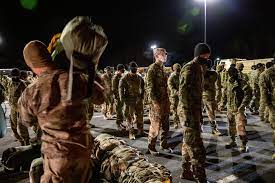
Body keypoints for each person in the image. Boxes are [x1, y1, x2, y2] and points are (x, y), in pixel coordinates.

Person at [18, 17, 108, 183]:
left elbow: (26, 121)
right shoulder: (76, 78)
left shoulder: (31, 92)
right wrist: (92, 67)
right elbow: (101, 98)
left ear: (32, 65)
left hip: (56, 162)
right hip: (83, 155)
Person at [178, 43, 210, 182]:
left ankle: (186, 172)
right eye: (205, 56)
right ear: (198, 55)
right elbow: (183, 93)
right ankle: (200, 178)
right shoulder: (190, 68)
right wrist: (188, 116)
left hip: (193, 111)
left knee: (187, 143)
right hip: (188, 112)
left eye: (208, 56)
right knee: (197, 147)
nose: (207, 58)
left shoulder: (199, 68)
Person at [146, 47, 171, 155]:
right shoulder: (152, 69)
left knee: (166, 125)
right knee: (155, 127)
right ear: (157, 56)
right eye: (163, 54)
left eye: (165, 54)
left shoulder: (163, 68)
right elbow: (149, 88)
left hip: (165, 102)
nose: (165, 55)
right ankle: (151, 146)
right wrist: (155, 103)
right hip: (157, 104)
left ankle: (164, 144)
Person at [222, 67, 252, 153]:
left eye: (234, 73)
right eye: (230, 73)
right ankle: (233, 141)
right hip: (230, 108)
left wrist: (243, 106)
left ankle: (244, 144)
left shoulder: (242, 82)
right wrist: (222, 104)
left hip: (239, 109)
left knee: (241, 127)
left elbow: (248, 94)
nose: (232, 75)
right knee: (231, 126)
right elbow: (225, 94)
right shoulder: (227, 83)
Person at [0, 68, 30, 146]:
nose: (14, 78)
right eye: (13, 76)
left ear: (18, 76)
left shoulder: (22, 84)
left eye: (16, 76)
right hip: (13, 108)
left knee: (21, 127)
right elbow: (8, 93)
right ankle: (21, 142)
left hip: (20, 108)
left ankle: (26, 142)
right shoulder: (10, 83)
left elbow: (26, 96)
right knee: (13, 126)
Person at [119, 61, 145, 139]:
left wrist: (142, 97)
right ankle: (131, 132)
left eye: (135, 68)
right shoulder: (125, 77)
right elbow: (120, 88)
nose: (134, 69)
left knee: (140, 115)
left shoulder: (139, 77)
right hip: (129, 100)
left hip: (138, 99)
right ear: (130, 68)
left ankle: (140, 130)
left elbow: (143, 87)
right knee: (129, 117)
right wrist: (122, 99)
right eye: (133, 68)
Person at [260, 60, 275, 159]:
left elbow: (264, 94)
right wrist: (271, 108)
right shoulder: (267, 74)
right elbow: (264, 94)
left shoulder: (265, 73)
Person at [203, 61, 222, 136]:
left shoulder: (214, 74)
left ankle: (214, 129)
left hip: (209, 96)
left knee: (211, 114)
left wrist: (217, 97)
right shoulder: (199, 73)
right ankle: (199, 128)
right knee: (198, 114)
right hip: (199, 96)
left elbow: (218, 86)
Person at [112, 64, 125, 130]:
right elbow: (114, 88)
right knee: (118, 111)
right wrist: (116, 97)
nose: (123, 70)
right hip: (117, 97)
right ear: (119, 70)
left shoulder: (120, 76)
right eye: (122, 69)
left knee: (120, 110)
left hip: (121, 96)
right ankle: (118, 124)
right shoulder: (115, 77)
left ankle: (120, 123)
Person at [168, 63, 181, 128]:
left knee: (181, 110)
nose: (178, 71)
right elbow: (171, 87)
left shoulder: (181, 75)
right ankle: (176, 123)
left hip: (181, 96)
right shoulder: (172, 77)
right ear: (174, 69)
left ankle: (181, 121)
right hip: (174, 96)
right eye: (177, 70)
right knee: (175, 110)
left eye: (179, 69)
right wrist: (177, 92)